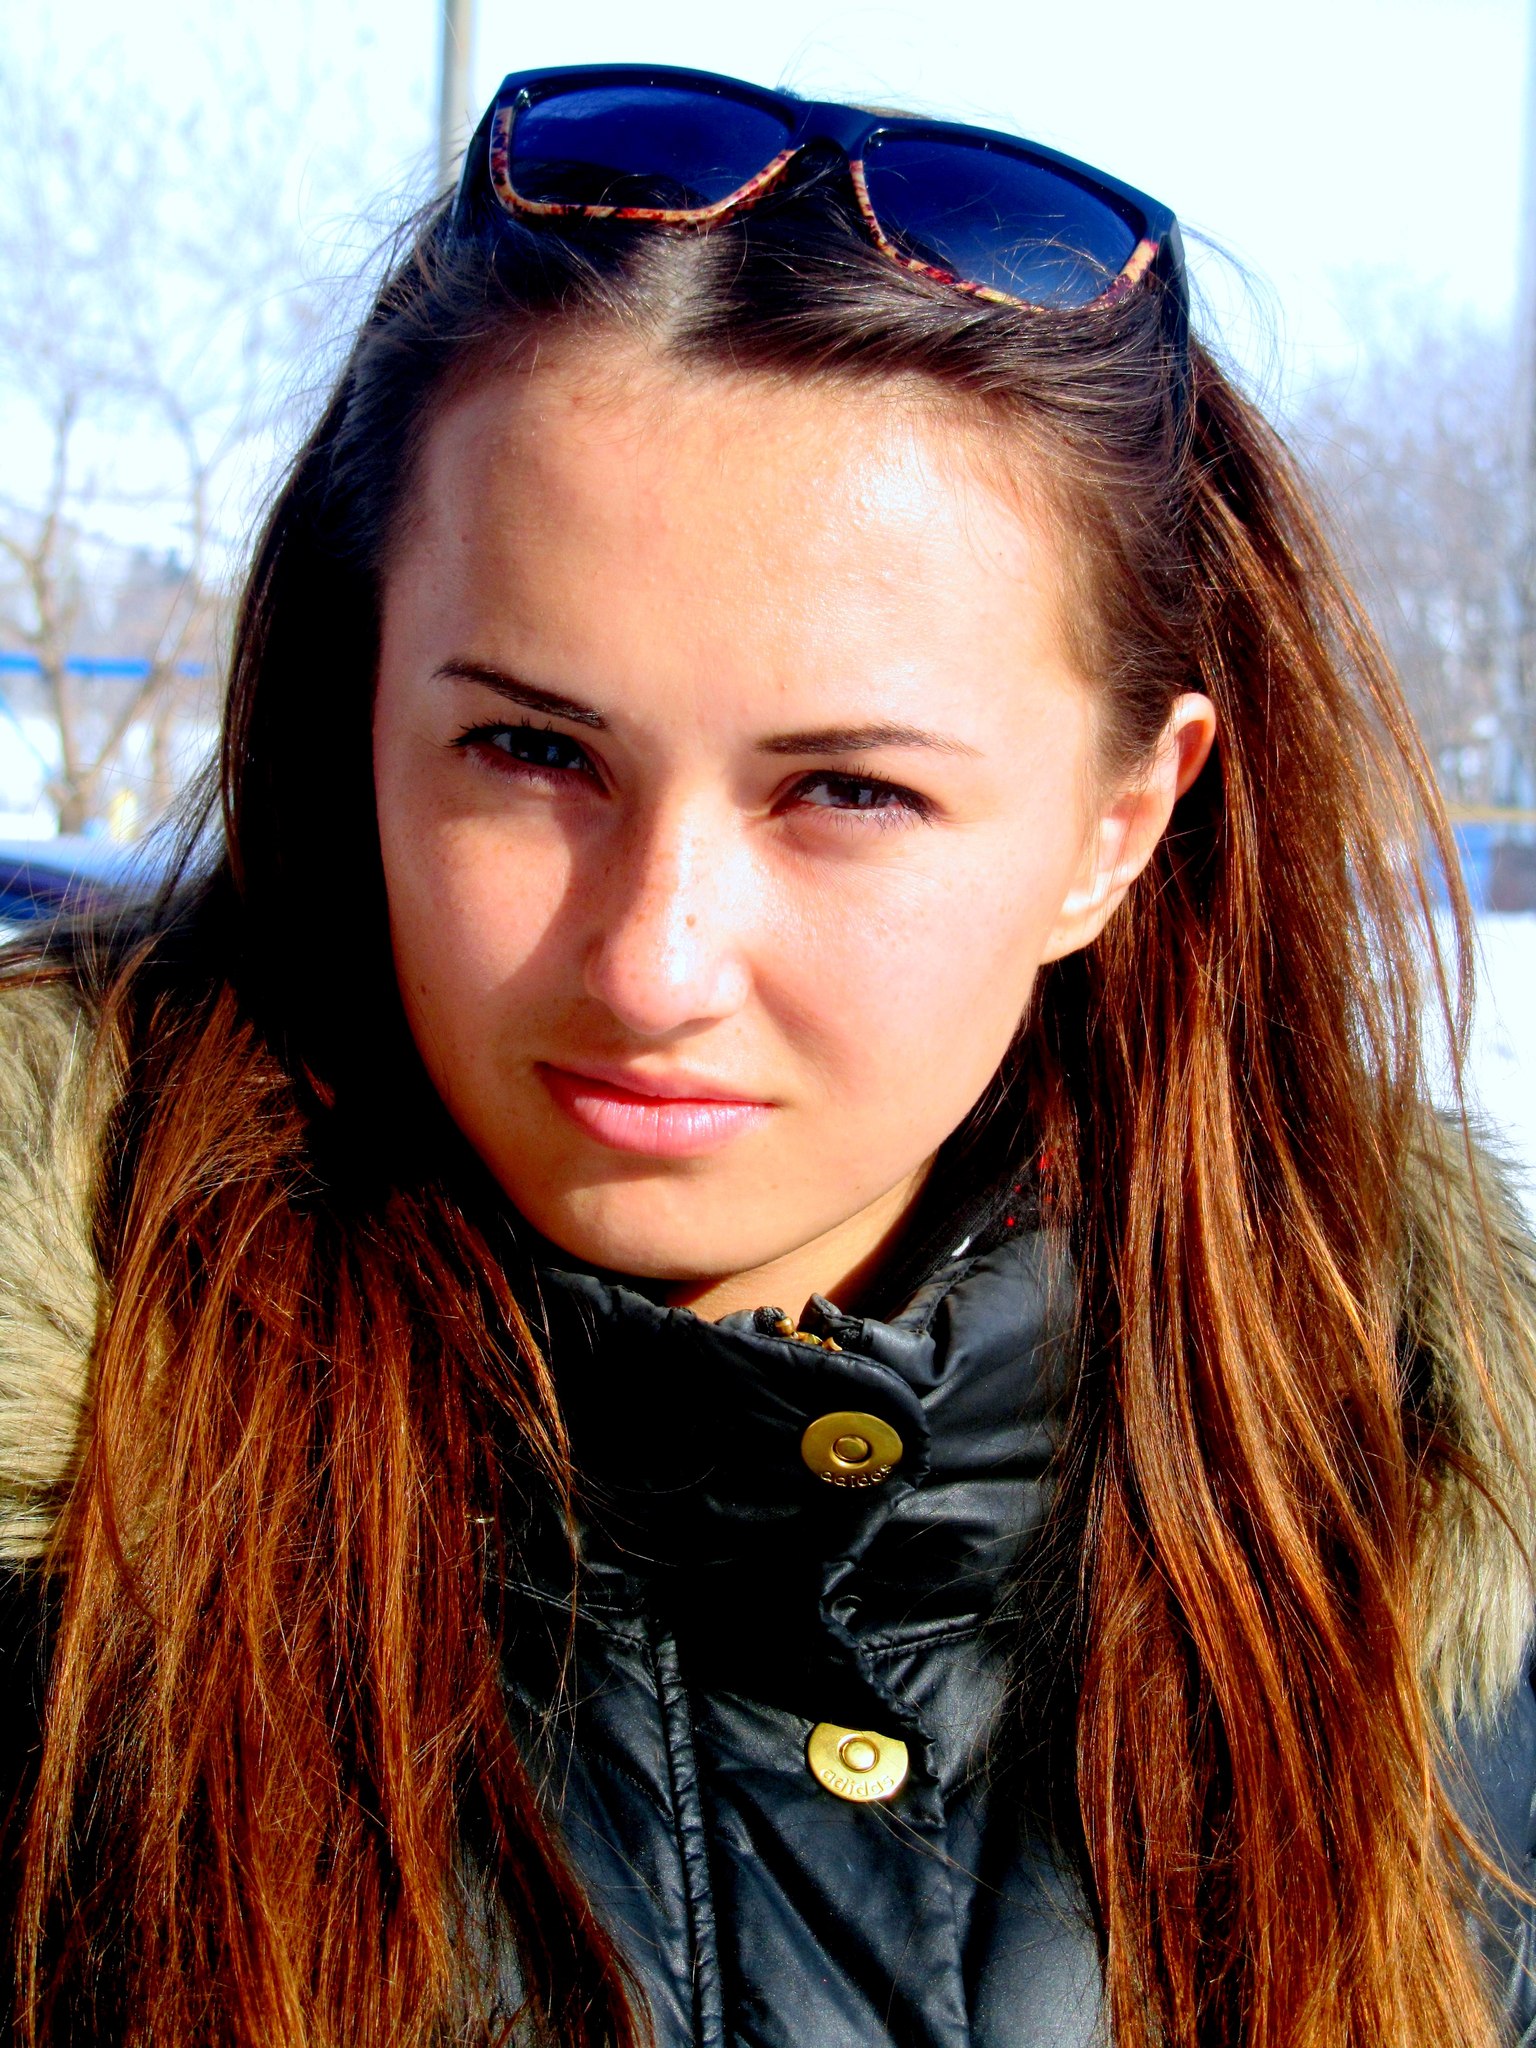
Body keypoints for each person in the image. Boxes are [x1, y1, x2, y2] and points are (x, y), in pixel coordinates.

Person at [1, 60, 1533, 2048]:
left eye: (848, 792)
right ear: (358, 711)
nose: (653, 964)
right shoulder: (63, 1522)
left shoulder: (1429, 1568)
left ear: (1117, 825)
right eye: (530, 751)